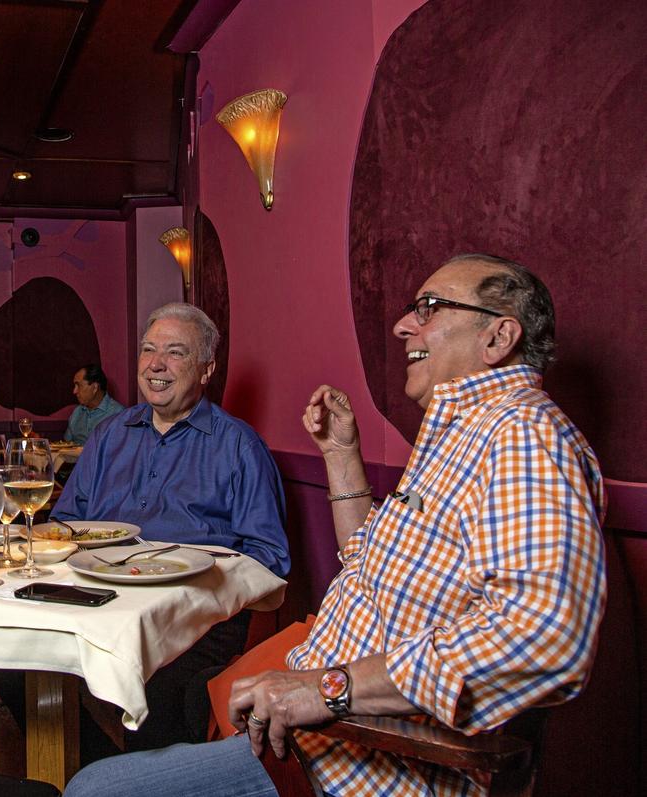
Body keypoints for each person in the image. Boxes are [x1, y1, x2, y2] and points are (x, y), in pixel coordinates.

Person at [63, 255, 607, 797]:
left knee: (95, 790)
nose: (402, 325)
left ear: (499, 337)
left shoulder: (524, 435)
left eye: (429, 308)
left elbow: (545, 634)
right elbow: (369, 568)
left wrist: (326, 689)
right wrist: (343, 455)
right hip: (314, 741)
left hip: (365, 767)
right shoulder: (462, 436)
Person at [44, 302, 289, 753]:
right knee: (22, 670)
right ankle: (96, 774)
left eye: (175, 352)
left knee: (155, 694)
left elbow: (269, 558)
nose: (156, 364)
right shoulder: (108, 436)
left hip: (190, 624)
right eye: (148, 350)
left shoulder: (239, 447)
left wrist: (196, 574)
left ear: (206, 369)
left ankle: (118, 780)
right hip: (94, 607)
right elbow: (63, 526)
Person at [63, 363, 124, 444]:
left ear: (95, 387)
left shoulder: (119, 414)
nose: (74, 391)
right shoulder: (77, 412)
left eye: (78, 385)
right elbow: (65, 445)